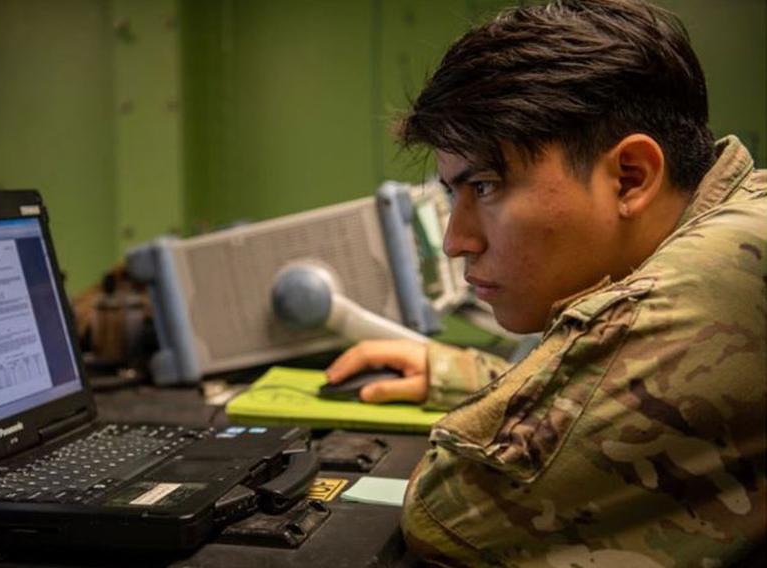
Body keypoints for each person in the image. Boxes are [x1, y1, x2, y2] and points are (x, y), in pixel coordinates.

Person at [325, 0, 766, 565]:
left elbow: (452, 510)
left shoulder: (717, 276)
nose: (457, 240)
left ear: (630, 177)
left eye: (483, 186)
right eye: (450, 196)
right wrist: (462, 376)